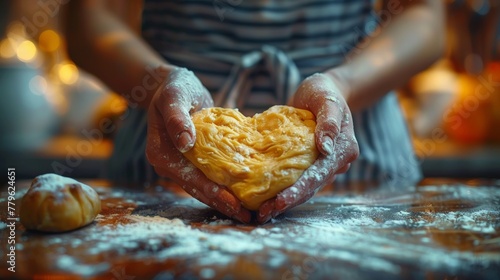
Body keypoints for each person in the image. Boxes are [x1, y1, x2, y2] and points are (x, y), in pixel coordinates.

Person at [64, 0, 445, 223]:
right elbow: (87, 20)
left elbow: (427, 17)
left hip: (354, 152)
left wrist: (342, 85)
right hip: (167, 143)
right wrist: (159, 80)